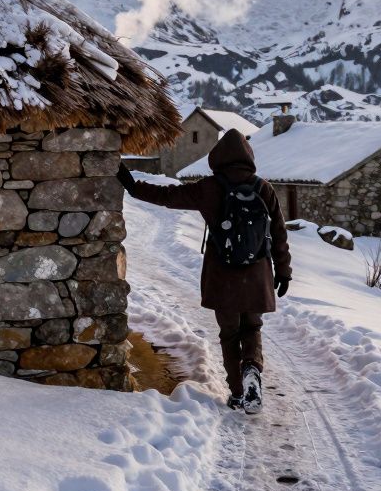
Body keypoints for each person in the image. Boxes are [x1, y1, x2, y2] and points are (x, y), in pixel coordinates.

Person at [118, 128, 291, 414]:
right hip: (257, 272)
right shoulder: (263, 187)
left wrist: (131, 184)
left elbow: (166, 196)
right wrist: (283, 271)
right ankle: (252, 371)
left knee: (229, 333)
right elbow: (279, 232)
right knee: (252, 327)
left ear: (217, 158)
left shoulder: (210, 188)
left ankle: (237, 393)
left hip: (223, 274)